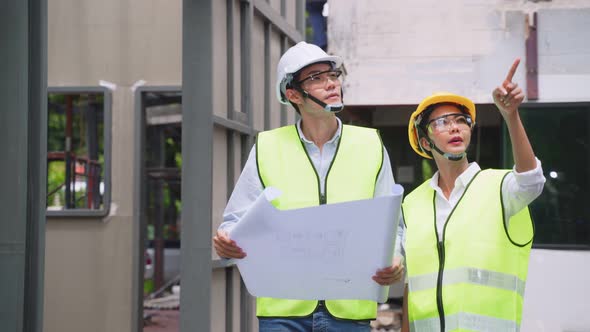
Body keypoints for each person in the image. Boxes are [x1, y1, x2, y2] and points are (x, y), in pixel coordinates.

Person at [213, 41, 404, 331]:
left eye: (333, 75)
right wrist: (227, 240)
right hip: (283, 311)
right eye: (317, 78)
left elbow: (393, 224)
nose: (331, 83)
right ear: (293, 94)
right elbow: (235, 222)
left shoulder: (370, 145)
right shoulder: (267, 147)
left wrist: (396, 258)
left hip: (349, 309)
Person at [401, 59, 546, 332]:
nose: (455, 127)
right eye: (442, 122)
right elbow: (412, 282)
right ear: (424, 142)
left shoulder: (499, 186)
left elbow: (531, 180)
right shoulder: (411, 204)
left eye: (461, 120)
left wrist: (510, 116)